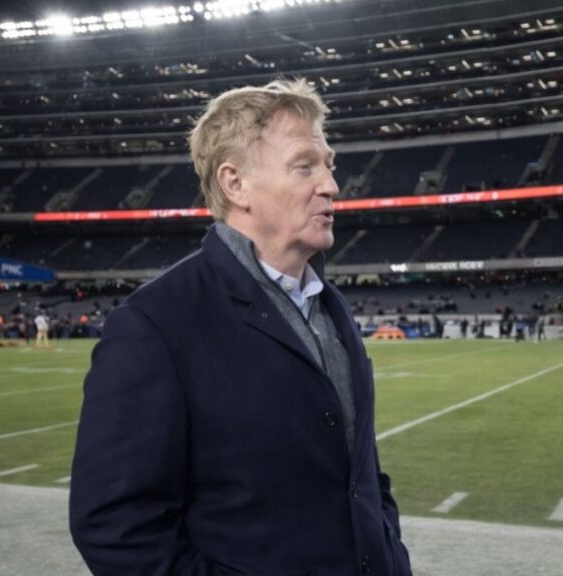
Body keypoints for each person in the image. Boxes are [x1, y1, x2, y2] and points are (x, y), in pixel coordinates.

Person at [70, 79, 411, 576]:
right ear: (236, 184)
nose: (331, 185)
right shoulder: (155, 325)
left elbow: (360, 475)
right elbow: (115, 528)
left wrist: (389, 550)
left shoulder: (328, 305)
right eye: (305, 165)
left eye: (329, 164)